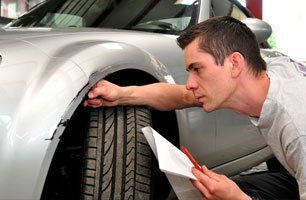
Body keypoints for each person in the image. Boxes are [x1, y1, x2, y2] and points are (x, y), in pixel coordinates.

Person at [84, 16, 305, 199]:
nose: (190, 82)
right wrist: (123, 94)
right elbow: (181, 95)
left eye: (197, 69)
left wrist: (238, 198)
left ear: (235, 64)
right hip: (292, 173)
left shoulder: (297, 129)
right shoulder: (268, 72)